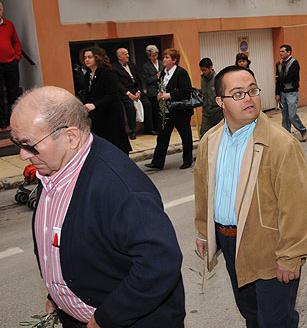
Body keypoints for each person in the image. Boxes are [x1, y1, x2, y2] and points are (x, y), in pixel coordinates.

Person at [11, 86, 185, 328]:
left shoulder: (121, 188)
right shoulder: (52, 167)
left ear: (70, 137)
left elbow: (160, 263)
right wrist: (58, 294)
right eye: (16, 142)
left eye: (29, 145)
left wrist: (107, 318)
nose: (22, 154)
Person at [194, 66, 307, 328]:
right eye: (237, 94)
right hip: (229, 244)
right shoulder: (210, 141)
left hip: (269, 249)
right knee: (251, 315)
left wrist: (291, 256)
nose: (249, 98)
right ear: (220, 102)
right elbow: (205, 190)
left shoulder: (281, 144)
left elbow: (297, 209)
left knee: (275, 321)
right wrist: (204, 231)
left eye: (252, 90)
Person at [145, 48, 194, 170]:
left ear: (174, 60)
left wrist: (170, 95)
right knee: (162, 136)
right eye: (164, 57)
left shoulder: (180, 72)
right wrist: (160, 94)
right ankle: (157, 162)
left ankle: (187, 160)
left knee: (185, 135)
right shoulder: (163, 73)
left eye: (167, 58)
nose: (164, 60)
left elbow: (186, 91)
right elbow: (160, 87)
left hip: (180, 110)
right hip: (165, 111)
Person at [80, 47, 132, 155]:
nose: (87, 60)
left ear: (97, 58)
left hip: (111, 114)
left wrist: (95, 105)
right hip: (97, 115)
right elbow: (88, 94)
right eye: (85, 58)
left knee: (115, 144)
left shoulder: (107, 73)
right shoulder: (87, 76)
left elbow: (112, 95)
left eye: (90, 57)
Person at [112, 48, 154, 139]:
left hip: (136, 91)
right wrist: (128, 94)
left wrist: (138, 91)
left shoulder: (132, 65)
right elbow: (118, 84)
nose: (128, 56)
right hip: (125, 93)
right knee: (130, 106)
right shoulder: (114, 67)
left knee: (147, 104)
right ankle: (132, 131)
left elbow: (138, 79)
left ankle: (149, 128)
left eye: (128, 54)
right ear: (119, 56)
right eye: (125, 54)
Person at [275, 44, 307, 142]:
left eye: (283, 51)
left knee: (292, 115)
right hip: (282, 92)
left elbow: (291, 77)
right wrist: (277, 93)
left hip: (292, 92)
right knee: (285, 116)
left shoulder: (294, 63)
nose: (281, 53)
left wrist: (280, 78)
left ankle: (302, 130)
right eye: (280, 51)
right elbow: (277, 81)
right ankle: (286, 134)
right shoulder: (279, 64)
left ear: (289, 52)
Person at [0, 1, 22, 128]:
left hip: (11, 63)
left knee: (13, 91)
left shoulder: (9, 24)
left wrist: (17, 56)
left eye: (0, 9)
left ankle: (13, 118)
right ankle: (2, 120)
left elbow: (16, 42)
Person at [199, 57, 223, 137]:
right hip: (206, 112)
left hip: (217, 112)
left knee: (218, 134)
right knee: (204, 134)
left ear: (210, 67)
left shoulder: (217, 79)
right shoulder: (202, 79)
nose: (203, 72)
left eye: (204, 70)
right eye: (202, 70)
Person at [140, 45, 162, 134]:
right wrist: (156, 76)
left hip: (162, 90)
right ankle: (155, 128)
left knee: (162, 110)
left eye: (155, 55)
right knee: (155, 111)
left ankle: (162, 127)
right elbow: (146, 80)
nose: (154, 57)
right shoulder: (146, 66)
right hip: (152, 91)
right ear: (149, 56)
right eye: (152, 56)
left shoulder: (161, 63)